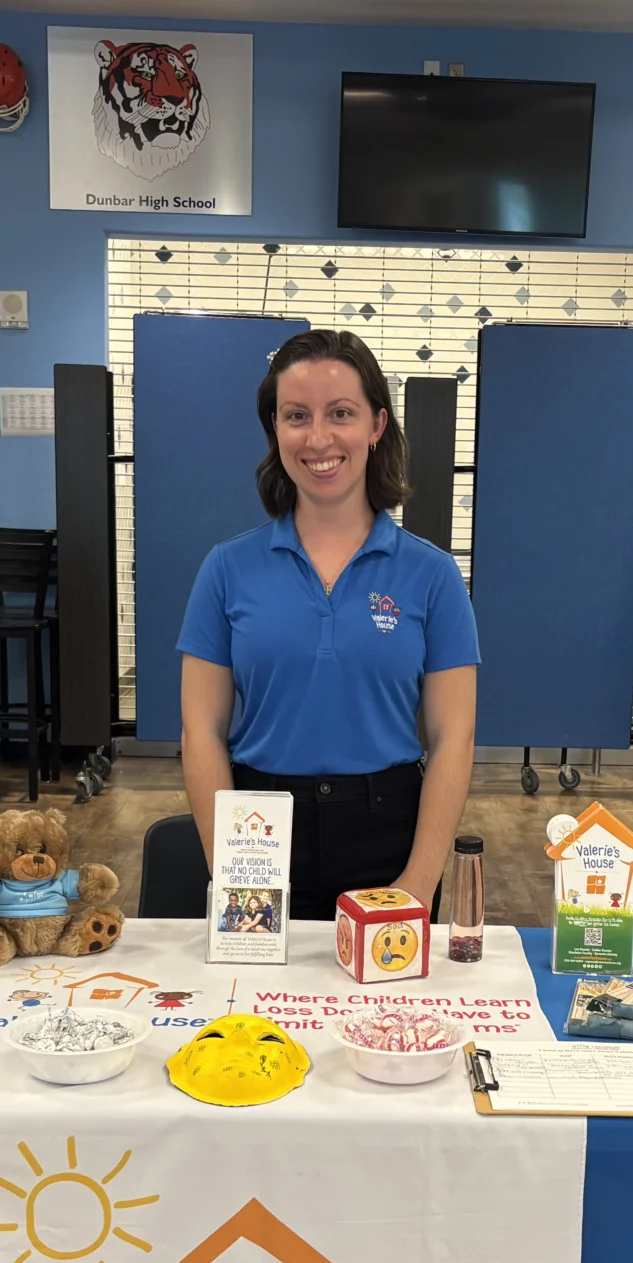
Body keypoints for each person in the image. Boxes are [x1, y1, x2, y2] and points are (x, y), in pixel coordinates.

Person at [178, 330, 478, 921]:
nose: (318, 438)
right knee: (255, 1011)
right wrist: (233, 870)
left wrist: (418, 882)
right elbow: (201, 734)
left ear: (376, 425)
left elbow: (453, 740)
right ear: (275, 429)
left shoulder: (433, 574)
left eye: (341, 413)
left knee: (385, 1015)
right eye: (296, 416)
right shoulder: (225, 569)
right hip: (257, 831)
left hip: (389, 833)